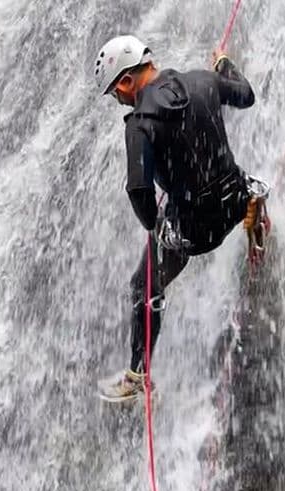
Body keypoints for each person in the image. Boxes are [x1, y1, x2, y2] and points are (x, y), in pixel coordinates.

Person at [93, 35, 260, 400]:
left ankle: (137, 376)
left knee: (143, 286)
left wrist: (154, 226)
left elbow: (138, 191)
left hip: (196, 231)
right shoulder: (203, 79)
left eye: (115, 93)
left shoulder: (139, 123)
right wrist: (223, 64)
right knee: (238, 178)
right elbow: (246, 95)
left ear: (125, 81)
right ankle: (256, 214)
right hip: (233, 202)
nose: (117, 100)